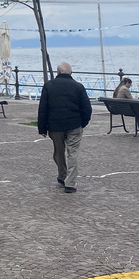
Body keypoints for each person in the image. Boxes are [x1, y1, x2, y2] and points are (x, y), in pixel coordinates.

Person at [37, 61, 91, 193]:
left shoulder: (49, 86)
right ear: (70, 73)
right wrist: (82, 123)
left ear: (58, 72)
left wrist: (42, 127)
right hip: (74, 124)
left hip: (55, 125)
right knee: (73, 153)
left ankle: (62, 175)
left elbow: (43, 108)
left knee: (58, 152)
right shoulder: (78, 87)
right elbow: (87, 108)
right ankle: (70, 183)